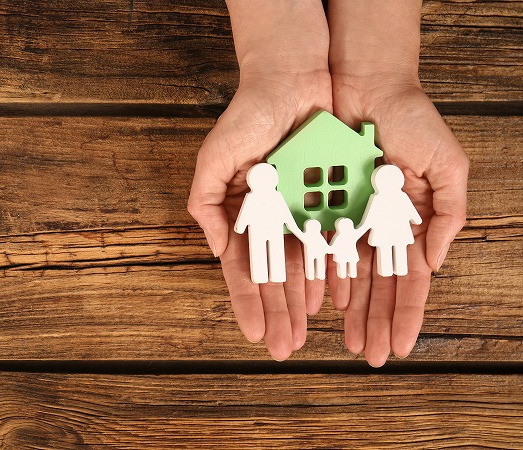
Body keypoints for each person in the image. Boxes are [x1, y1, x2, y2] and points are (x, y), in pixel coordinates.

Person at [187, 0, 469, 365]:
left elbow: (388, 214)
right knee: (267, 259)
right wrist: (278, 66)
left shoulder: (380, 198)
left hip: (373, 233)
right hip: (273, 233)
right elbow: (269, 217)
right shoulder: (267, 196)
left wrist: (383, 73)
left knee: (382, 258)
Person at [234, 163, 302, 284]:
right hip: (260, 229)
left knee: (273, 250)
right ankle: (263, 275)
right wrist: (240, 226)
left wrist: (240, 227)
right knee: (260, 251)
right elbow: (246, 211)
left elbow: (285, 213)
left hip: (271, 229)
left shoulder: (275, 196)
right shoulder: (253, 197)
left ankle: (276, 274)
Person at [359, 165, 423, 277]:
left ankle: (394, 269)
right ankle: (391, 270)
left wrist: (361, 229)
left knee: (393, 249)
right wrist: (416, 219)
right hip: (397, 231)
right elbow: (413, 215)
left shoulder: (394, 197)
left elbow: (369, 219)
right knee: (392, 249)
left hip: (389, 231)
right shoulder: (393, 197)